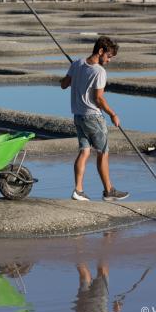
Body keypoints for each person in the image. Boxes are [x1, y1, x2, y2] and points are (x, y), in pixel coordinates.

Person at [60, 36, 129, 201]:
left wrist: (74, 74)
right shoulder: (99, 71)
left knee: (84, 151)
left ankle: (78, 190)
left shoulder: (76, 64)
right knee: (103, 152)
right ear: (100, 51)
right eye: (109, 56)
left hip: (78, 116)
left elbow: (63, 84)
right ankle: (109, 191)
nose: (109, 60)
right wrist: (113, 114)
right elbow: (99, 99)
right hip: (93, 117)